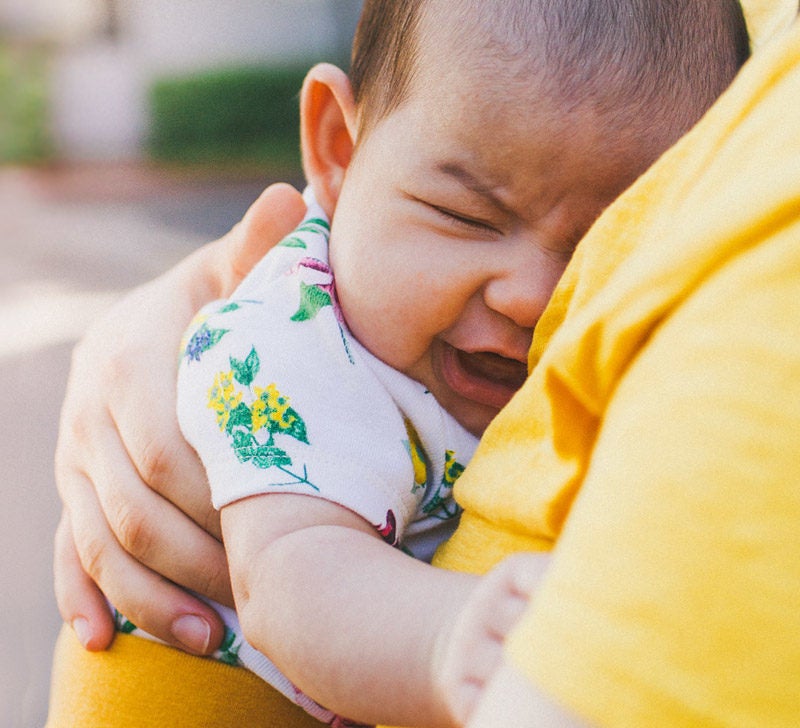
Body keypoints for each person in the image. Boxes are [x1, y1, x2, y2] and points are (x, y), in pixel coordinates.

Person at [51, 1, 800, 727]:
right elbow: (290, 578)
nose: (529, 296)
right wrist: (452, 640)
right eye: (467, 217)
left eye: (597, 248)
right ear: (338, 152)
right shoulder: (298, 337)